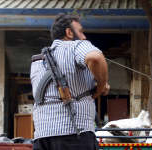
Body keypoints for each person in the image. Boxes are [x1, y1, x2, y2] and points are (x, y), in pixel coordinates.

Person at [30, 14, 110, 150]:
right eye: (80, 31)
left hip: (42, 136)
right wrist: (101, 86)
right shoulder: (76, 46)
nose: (84, 36)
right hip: (74, 134)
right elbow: (96, 58)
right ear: (69, 32)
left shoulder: (37, 61)